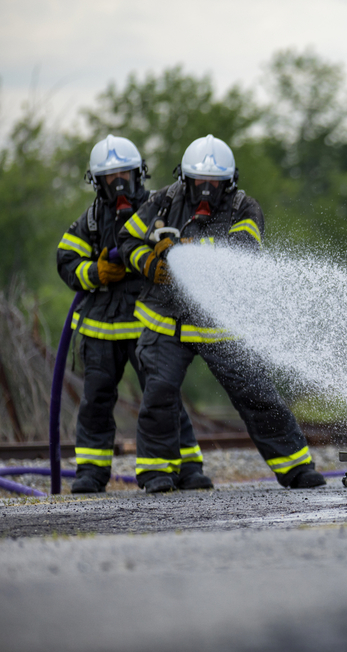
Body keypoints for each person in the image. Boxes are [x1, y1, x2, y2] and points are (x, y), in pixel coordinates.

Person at [117, 134, 326, 493]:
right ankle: (156, 473)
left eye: (215, 184)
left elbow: (243, 248)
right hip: (167, 322)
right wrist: (150, 264)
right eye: (200, 182)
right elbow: (127, 239)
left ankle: (296, 469)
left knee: (256, 393)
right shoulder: (163, 202)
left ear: (229, 182)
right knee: (160, 392)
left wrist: (185, 247)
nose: (206, 191)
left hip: (221, 322)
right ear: (185, 179)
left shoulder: (245, 207)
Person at [57, 135, 212, 494]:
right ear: (98, 182)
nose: (120, 184)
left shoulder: (158, 209)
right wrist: (94, 273)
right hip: (100, 328)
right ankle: (91, 473)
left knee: (163, 395)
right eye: (111, 178)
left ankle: (187, 468)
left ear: (139, 173)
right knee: (95, 401)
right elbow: (66, 260)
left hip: (147, 323)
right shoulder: (92, 220)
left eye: (125, 174)